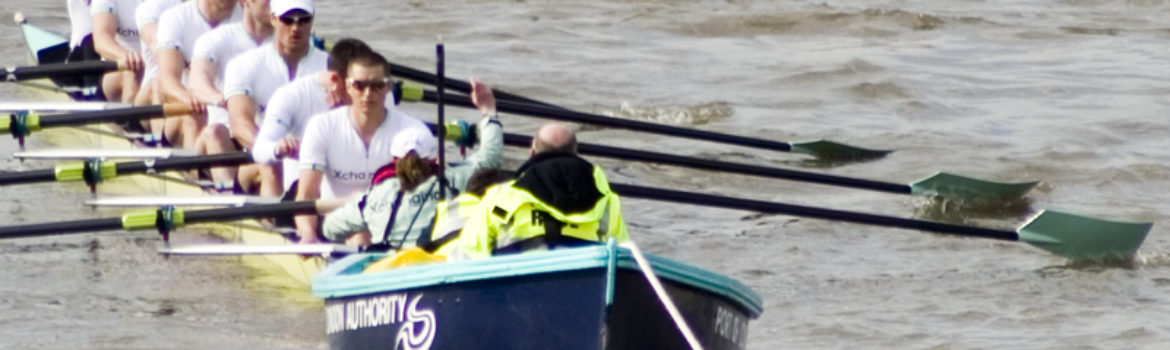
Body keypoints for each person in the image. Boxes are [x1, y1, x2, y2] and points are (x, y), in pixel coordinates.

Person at [316, 87, 502, 248]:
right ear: (435, 158)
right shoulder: (454, 180)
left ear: (394, 160)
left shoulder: (374, 198)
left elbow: (330, 228)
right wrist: (489, 111)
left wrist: (362, 222)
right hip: (439, 263)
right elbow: (490, 156)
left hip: (392, 272)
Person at [291, 50, 430, 242]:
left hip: (395, 223)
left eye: (377, 86)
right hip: (338, 220)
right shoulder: (322, 126)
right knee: (361, 236)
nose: (367, 94)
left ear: (388, 87)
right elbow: (306, 194)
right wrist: (308, 236)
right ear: (347, 86)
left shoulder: (412, 131)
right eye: (359, 85)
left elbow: (426, 194)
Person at [451, 123, 630, 260]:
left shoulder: (500, 198)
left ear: (532, 152)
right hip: (585, 299)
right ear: (575, 154)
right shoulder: (607, 203)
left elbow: (466, 258)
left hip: (515, 300)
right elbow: (626, 259)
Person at [217, 0, 325, 193]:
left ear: (313, 20)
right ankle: (275, 221)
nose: (295, 28)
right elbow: (240, 125)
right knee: (272, 165)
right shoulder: (244, 65)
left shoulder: (330, 68)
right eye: (288, 20)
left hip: (315, 162)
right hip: (256, 159)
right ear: (273, 19)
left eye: (303, 20)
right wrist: (274, 149)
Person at [252, 38, 373, 196]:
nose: (367, 94)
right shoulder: (291, 95)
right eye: (359, 85)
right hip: (305, 188)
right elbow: (260, 149)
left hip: (360, 186)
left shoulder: (378, 94)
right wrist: (279, 148)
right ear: (335, 80)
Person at [185, 0, 274, 192]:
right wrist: (221, 98)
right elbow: (197, 79)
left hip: (267, 139)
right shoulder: (215, 40)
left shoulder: (291, 48)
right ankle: (228, 198)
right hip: (227, 139)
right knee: (215, 132)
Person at [90, 0, 144, 104]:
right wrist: (127, 57)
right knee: (131, 72)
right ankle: (130, 118)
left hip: (160, 65)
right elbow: (101, 39)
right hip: (120, 67)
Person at [132, 0, 182, 106]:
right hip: (158, 83)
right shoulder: (149, 8)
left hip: (197, 87)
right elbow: (157, 48)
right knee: (159, 84)